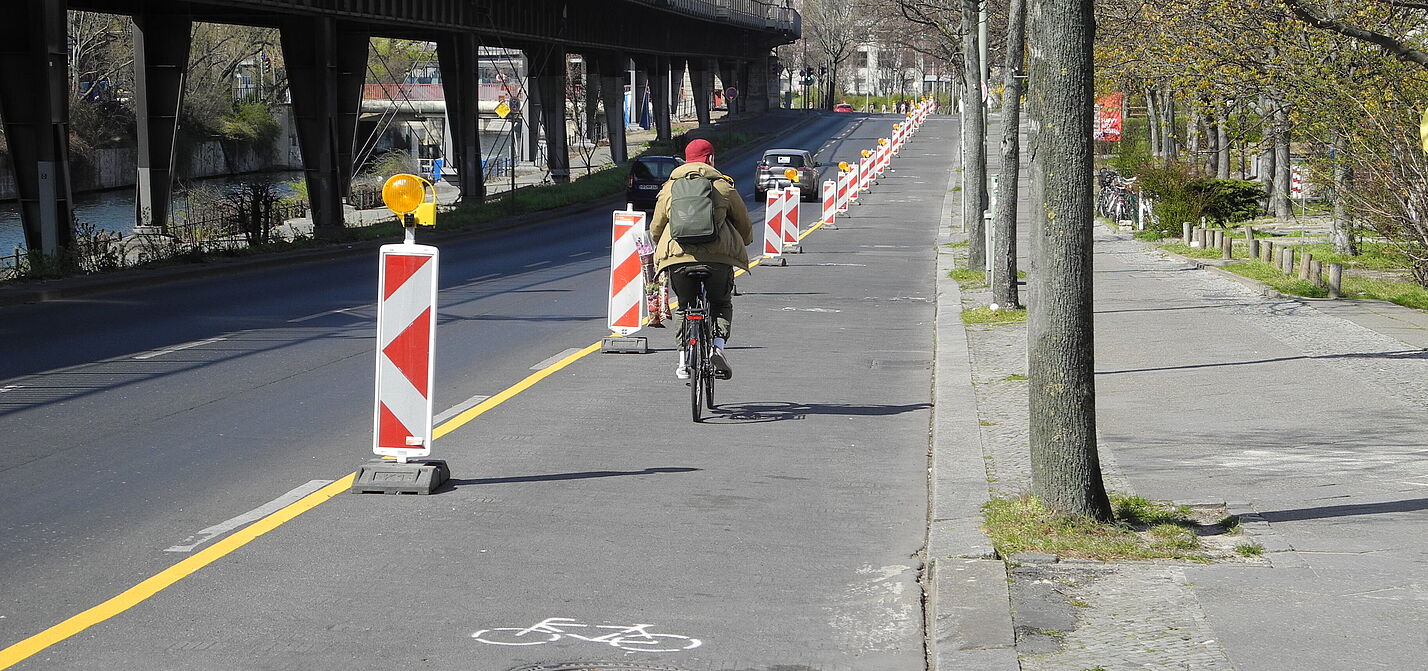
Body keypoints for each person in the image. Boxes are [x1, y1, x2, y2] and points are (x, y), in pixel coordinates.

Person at [649, 138, 753, 380]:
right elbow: (743, 222)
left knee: (685, 307)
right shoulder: (723, 186)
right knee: (721, 302)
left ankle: (684, 361)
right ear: (710, 159)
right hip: (717, 259)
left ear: (686, 160)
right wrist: (745, 241)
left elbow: (656, 227)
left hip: (678, 259)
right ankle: (717, 346)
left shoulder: (669, 188)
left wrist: (662, 247)